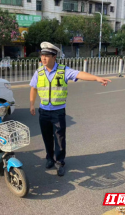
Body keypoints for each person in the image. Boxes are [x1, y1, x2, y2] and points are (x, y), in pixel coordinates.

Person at [29, 42, 111, 177]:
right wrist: (32, 104)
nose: (43, 58)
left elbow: (80, 74)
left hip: (58, 112)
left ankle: (60, 162)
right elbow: (33, 88)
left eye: (47, 56)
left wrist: (96, 78)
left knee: (59, 139)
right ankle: (49, 158)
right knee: (46, 137)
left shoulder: (63, 70)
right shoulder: (39, 72)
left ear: (54, 57)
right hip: (43, 111)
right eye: (42, 55)